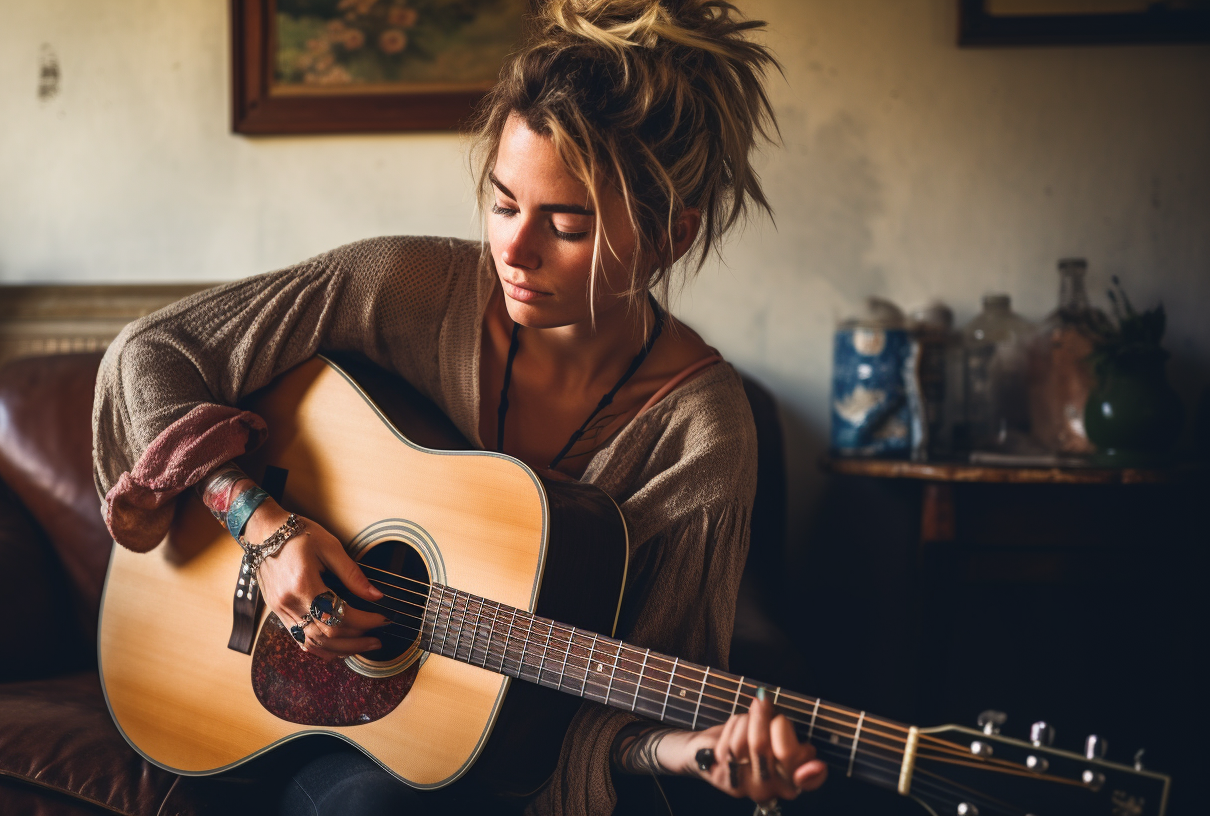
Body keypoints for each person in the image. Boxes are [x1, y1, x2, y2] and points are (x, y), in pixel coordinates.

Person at [92, 0, 828, 813]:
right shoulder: (399, 285)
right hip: (249, 693)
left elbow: (631, 710)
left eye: (567, 224)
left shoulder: (704, 433)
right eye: (504, 203)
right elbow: (149, 351)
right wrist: (266, 529)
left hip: (490, 760)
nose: (512, 249)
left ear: (671, 236)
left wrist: (697, 753)